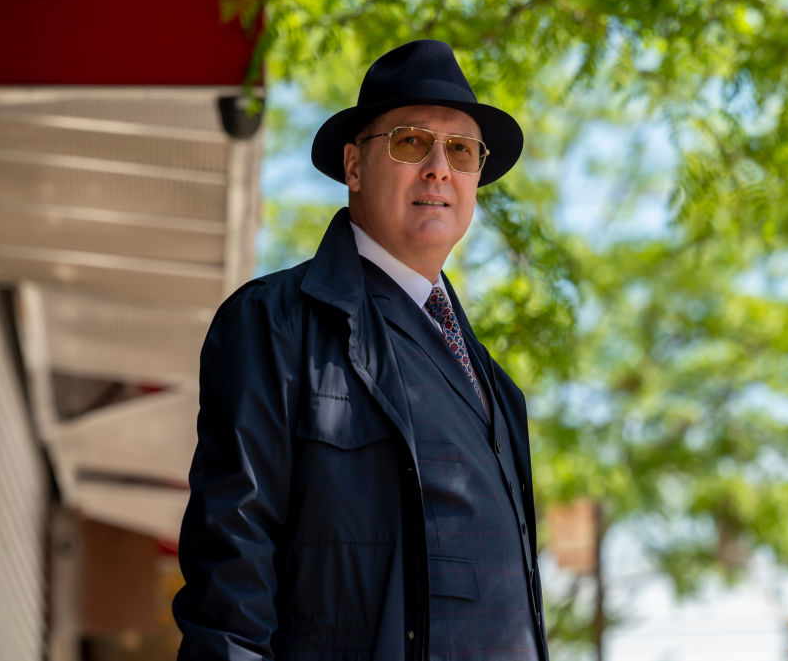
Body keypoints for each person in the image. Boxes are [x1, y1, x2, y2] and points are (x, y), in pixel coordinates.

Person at [172, 39, 548, 661]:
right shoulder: (275, 324)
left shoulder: (496, 387)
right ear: (353, 166)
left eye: (461, 150)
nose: (439, 168)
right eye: (409, 142)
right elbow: (231, 572)